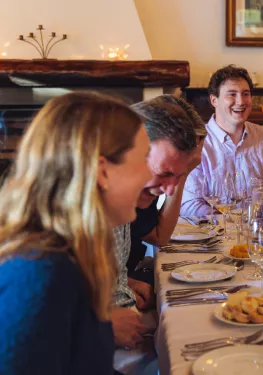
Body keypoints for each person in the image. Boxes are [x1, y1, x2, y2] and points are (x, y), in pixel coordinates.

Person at [0, 91, 151, 374]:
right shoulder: (40, 274)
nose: (148, 175)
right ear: (102, 171)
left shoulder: (72, 253)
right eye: (143, 159)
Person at [111, 96, 203, 374]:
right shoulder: (75, 211)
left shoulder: (121, 207)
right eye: (164, 173)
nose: (171, 191)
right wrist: (101, 326)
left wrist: (123, 284)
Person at [180, 64, 263, 217]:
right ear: (214, 100)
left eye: (245, 94)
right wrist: (228, 224)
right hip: (214, 236)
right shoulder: (196, 143)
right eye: (232, 94)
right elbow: (189, 204)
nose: (240, 101)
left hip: (260, 234)